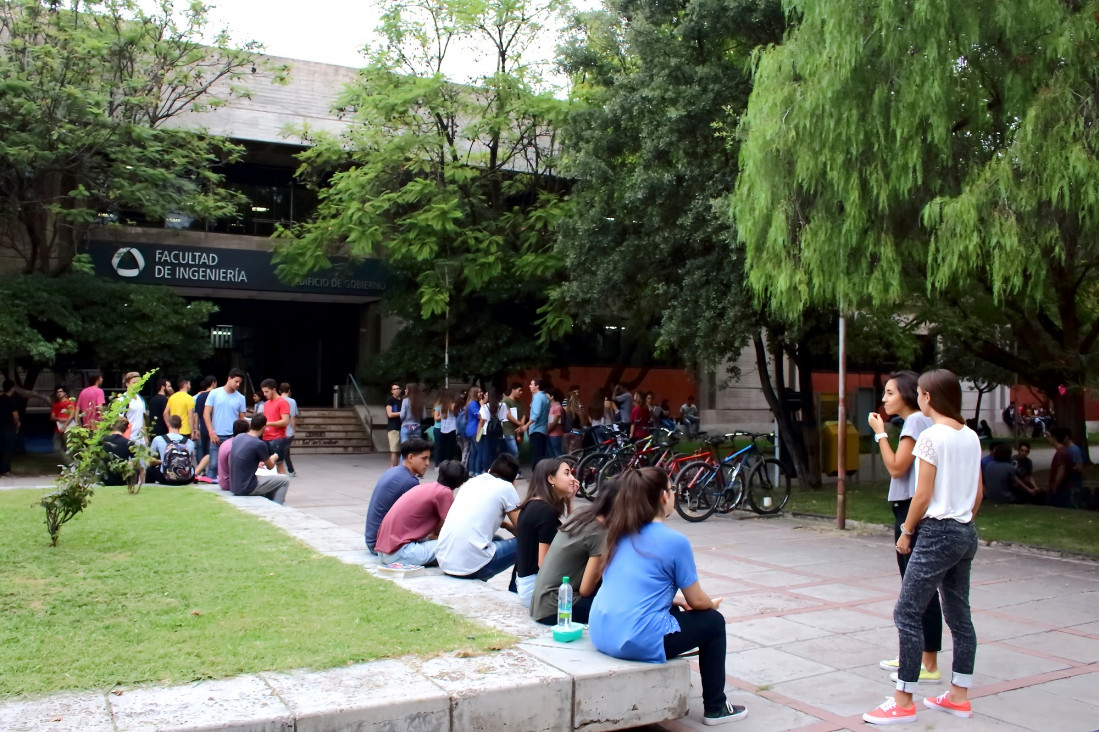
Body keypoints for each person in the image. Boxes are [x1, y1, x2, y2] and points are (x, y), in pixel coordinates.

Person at [863, 369, 982, 725]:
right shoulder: (971, 436)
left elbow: (922, 495)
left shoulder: (932, 437)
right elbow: (977, 493)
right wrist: (963, 518)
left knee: (907, 613)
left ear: (928, 397)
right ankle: (959, 694)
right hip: (965, 531)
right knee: (960, 616)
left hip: (935, 532)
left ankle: (902, 701)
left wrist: (908, 531)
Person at [588, 468, 747, 725]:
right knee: (713, 624)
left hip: (601, 632)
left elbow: (631, 586)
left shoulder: (620, 532)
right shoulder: (675, 541)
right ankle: (717, 707)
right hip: (632, 638)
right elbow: (697, 601)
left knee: (675, 613)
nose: (674, 494)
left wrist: (672, 601)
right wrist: (711, 605)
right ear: (663, 497)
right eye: (672, 489)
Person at [867, 370, 941, 683]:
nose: (884, 399)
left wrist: (880, 434)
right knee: (920, 589)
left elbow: (897, 467)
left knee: (916, 591)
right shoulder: (922, 422)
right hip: (913, 509)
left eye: (890, 393)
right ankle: (919, 655)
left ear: (908, 394)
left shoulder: (914, 422)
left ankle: (926, 664)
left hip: (910, 511)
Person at [530, 477, 621, 626]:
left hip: (542, 602)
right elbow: (586, 590)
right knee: (625, 607)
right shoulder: (599, 534)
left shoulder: (583, 515)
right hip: (557, 609)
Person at [436, 453, 522, 581]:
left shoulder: (471, 482)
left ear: (489, 471)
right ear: (513, 481)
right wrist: (513, 490)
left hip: (444, 561)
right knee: (528, 543)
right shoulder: (507, 488)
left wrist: (504, 524)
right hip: (471, 568)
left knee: (497, 539)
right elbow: (524, 529)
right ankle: (515, 592)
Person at [376, 459, 469, 566]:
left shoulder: (426, 487)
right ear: (459, 483)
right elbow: (453, 528)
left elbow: (439, 528)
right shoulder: (444, 492)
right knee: (457, 543)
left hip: (385, 551)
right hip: (401, 552)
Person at [514, 457, 578, 608]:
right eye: (567, 473)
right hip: (537, 591)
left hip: (527, 585)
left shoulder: (534, 505)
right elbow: (544, 563)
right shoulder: (545, 511)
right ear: (550, 478)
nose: (573, 479)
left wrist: (569, 500)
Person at [364, 437, 433, 552]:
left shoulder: (394, 471)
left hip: (372, 539)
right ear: (410, 457)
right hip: (381, 543)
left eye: (428, 459)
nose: (427, 463)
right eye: (424, 459)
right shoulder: (409, 481)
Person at [229, 414, 290, 504]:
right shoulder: (259, 444)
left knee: (270, 480)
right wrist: (273, 458)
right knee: (284, 480)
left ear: (250, 424)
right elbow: (270, 466)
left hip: (234, 485)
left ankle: (270, 503)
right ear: (264, 427)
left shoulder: (239, 437)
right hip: (247, 487)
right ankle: (278, 507)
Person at [203, 368, 247, 480]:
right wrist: (211, 431)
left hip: (233, 435)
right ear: (229, 379)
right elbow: (206, 413)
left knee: (232, 464)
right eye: (236, 381)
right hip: (217, 434)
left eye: (240, 383)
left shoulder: (241, 398)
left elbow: (242, 418)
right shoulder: (214, 393)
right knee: (213, 464)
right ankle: (210, 487)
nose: (238, 385)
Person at [148, 415, 195, 485]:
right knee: (192, 467)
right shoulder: (189, 442)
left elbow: (150, 460)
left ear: (168, 424)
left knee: (149, 469)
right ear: (181, 426)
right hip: (185, 479)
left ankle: (148, 486)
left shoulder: (158, 439)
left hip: (165, 478)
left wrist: (163, 461)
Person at [259, 379, 291, 475]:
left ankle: (283, 486)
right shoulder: (266, 403)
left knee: (279, 465)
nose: (264, 394)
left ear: (274, 390)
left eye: (266, 391)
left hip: (277, 438)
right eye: (263, 392)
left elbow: (285, 421)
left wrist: (268, 424)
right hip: (265, 437)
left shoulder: (282, 402)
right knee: (265, 465)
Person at [1047, 427, 1081, 508]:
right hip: (1063, 489)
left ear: (1054, 438)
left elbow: (1061, 472)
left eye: (1049, 436)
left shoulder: (1061, 453)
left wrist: (1054, 487)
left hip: (1061, 490)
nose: (1048, 439)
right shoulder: (1063, 451)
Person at [476, 387, 508, 474]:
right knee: (497, 452)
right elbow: (503, 418)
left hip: (487, 432)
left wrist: (478, 435)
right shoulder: (502, 405)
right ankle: (497, 470)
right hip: (498, 431)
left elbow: (481, 422)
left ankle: (487, 470)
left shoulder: (485, 407)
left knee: (487, 453)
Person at [216, 419, 250, 492]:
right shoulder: (235, 446)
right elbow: (234, 468)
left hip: (224, 481)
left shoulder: (227, 443)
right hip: (230, 483)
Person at [192, 376, 217, 477]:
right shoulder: (216, 395)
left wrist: (196, 428)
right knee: (213, 452)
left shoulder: (200, 397)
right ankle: (211, 473)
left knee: (206, 451)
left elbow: (196, 414)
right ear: (213, 383)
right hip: (213, 427)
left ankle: (202, 471)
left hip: (202, 427)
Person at [99, 418, 134, 486]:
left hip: (105, 479)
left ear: (112, 426)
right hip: (121, 479)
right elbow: (136, 461)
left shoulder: (103, 440)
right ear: (125, 429)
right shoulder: (129, 443)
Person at [432, 390, 459, 466]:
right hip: (439, 428)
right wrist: (443, 415)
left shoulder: (452, 406)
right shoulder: (439, 407)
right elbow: (436, 418)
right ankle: (437, 464)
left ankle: (447, 463)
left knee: (448, 447)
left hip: (450, 428)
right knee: (439, 447)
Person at [528, 379, 550, 469]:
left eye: (531, 384)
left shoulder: (537, 397)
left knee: (536, 456)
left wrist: (526, 425)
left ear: (537, 386)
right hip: (543, 429)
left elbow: (535, 414)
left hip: (536, 429)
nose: (529, 386)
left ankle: (537, 476)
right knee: (541, 454)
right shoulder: (545, 397)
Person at [0, 380, 20, 476]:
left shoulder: (0, 399)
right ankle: (5, 470)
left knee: (1, 448)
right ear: (12, 388)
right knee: (8, 448)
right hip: (8, 426)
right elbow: (15, 415)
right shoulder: (11, 400)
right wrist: (17, 424)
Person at [50, 386, 76, 459]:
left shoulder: (69, 402)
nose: (59, 393)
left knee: (69, 449)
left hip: (68, 428)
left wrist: (64, 426)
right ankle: (68, 464)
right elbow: (52, 417)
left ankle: (70, 467)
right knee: (57, 449)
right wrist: (59, 419)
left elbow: (72, 415)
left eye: (61, 391)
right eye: (57, 392)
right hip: (57, 429)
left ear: (65, 393)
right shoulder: (55, 404)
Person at [461, 386, 482, 473]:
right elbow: (480, 415)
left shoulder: (471, 403)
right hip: (475, 430)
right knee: (479, 451)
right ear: (475, 394)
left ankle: (471, 471)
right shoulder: (473, 404)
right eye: (479, 392)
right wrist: (483, 405)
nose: (481, 394)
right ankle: (477, 471)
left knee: (474, 451)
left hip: (472, 430)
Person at [279, 382, 298, 476]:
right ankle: (289, 470)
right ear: (289, 391)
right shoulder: (292, 401)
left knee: (284, 452)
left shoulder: (276, 400)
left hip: (278, 430)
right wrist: (293, 430)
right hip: (288, 431)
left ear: (279, 391)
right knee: (284, 452)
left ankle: (290, 470)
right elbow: (292, 417)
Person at [501, 383, 525, 460]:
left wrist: (521, 426)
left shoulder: (520, 403)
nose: (521, 392)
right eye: (519, 390)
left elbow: (524, 414)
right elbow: (508, 415)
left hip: (518, 432)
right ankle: (516, 470)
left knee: (514, 452)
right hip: (508, 430)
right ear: (513, 390)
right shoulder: (505, 400)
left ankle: (510, 469)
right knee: (514, 451)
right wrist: (520, 424)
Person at [385, 382, 403, 467]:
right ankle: (394, 468)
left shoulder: (402, 400)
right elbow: (390, 414)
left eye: (397, 389)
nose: (396, 390)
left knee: (401, 449)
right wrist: (402, 413)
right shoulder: (390, 400)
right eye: (394, 389)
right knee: (394, 450)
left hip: (402, 427)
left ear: (400, 390)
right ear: (391, 391)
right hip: (393, 427)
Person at [546, 389, 565, 458]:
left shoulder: (557, 407)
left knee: (557, 454)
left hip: (555, 435)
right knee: (551, 454)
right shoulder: (551, 407)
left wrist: (547, 430)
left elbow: (555, 422)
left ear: (551, 397)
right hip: (550, 434)